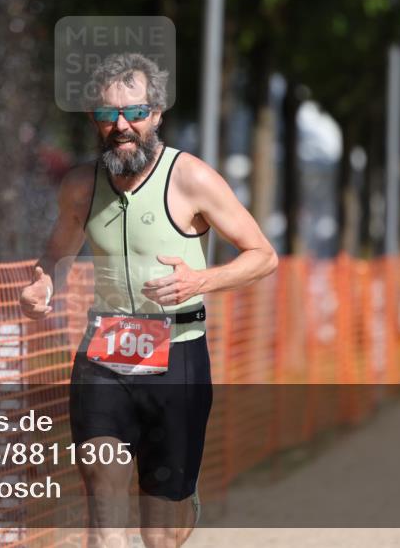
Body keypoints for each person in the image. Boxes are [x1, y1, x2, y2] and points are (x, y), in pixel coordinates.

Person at [20, 53, 278, 548]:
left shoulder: (191, 178)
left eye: (134, 113)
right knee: (104, 511)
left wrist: (199, 282)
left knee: (163, 533)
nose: (121, 126)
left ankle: (182, 501)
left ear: (156, 113)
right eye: (107, 114)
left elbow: (263, 256)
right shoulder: (79, 186)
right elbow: (55, 256)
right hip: (104, 357)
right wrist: (42, 285)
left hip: (177, 356)